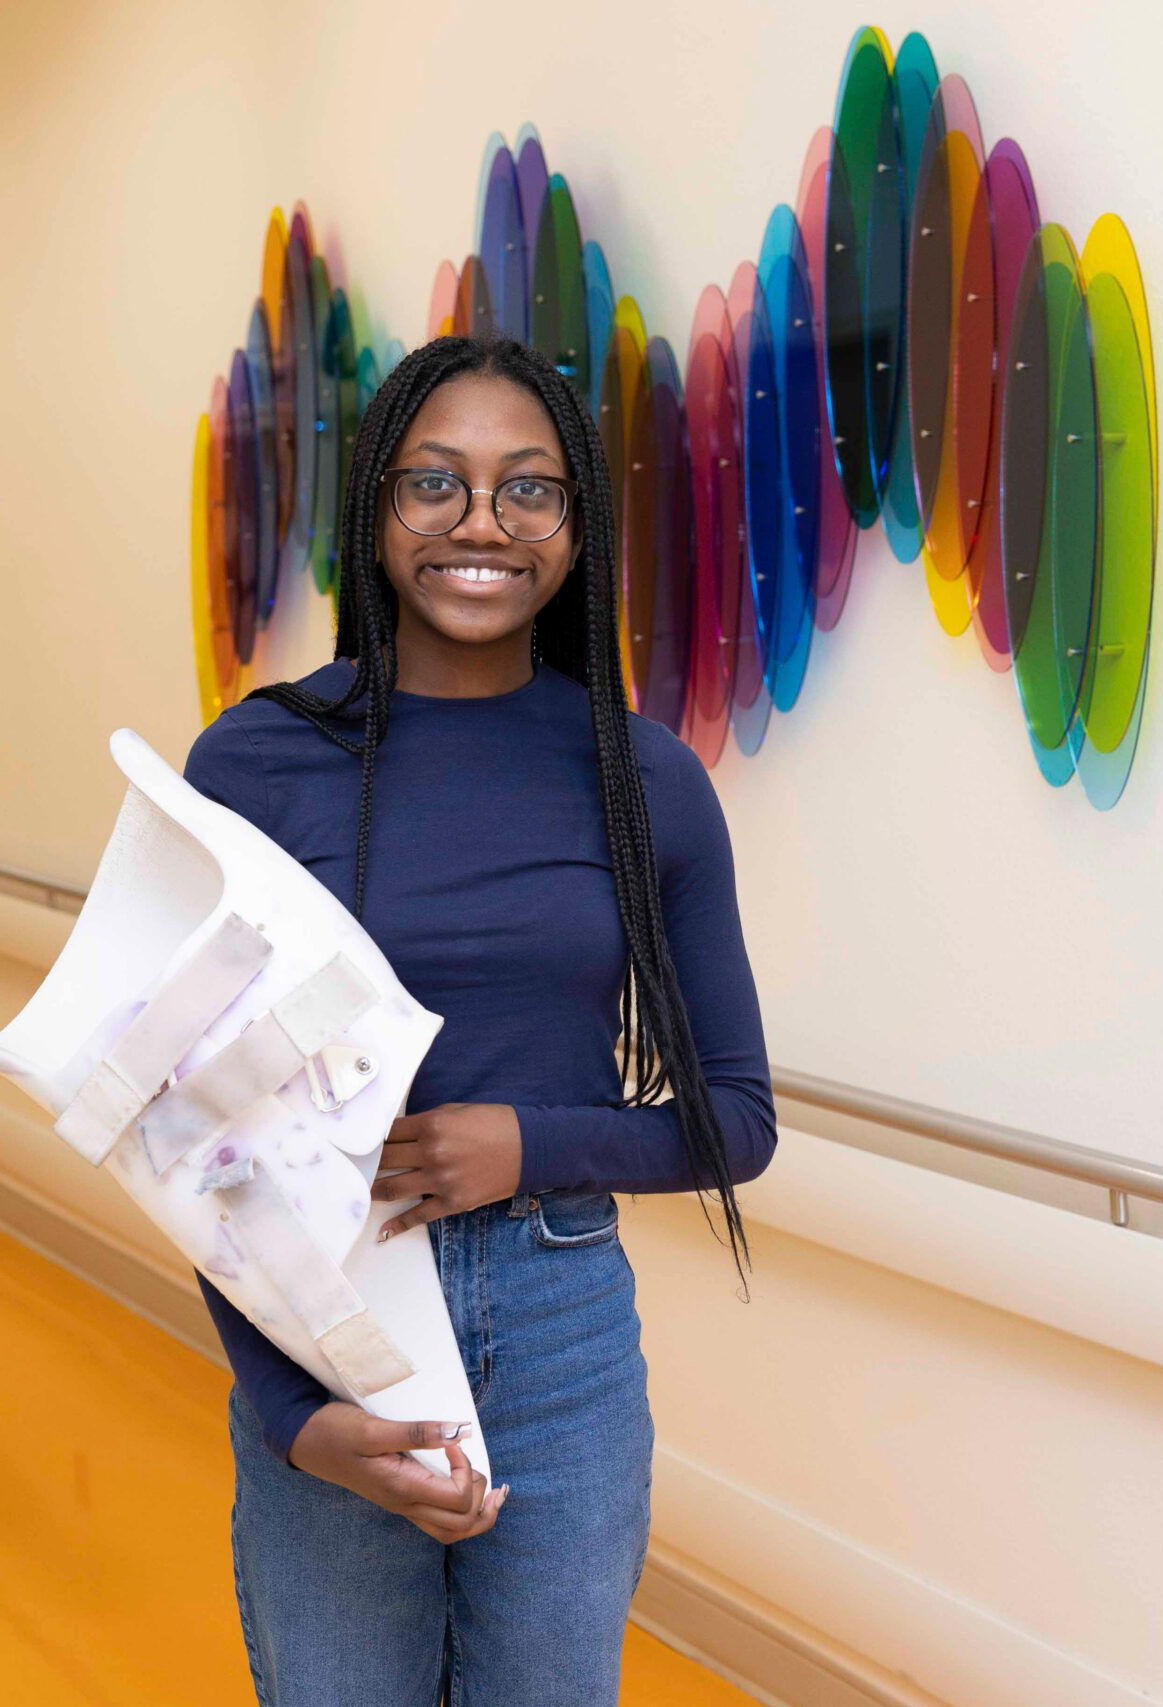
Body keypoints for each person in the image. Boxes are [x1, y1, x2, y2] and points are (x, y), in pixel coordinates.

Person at [184, 335, 776, 1705]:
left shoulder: (644, 779)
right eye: (435, 483)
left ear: (577, 527)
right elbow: (191, 1132)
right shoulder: (256, 763)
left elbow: (734, 1120)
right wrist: (293, 1421)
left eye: (530, 490)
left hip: (563, 1326)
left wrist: (529, 1144)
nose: (482, 526)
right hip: (326, 1320)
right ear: (376, 510)